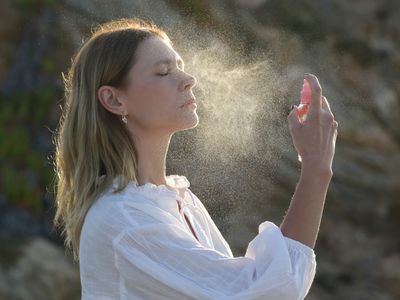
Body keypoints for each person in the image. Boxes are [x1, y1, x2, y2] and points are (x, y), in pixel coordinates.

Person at [52, 17, 338, 300]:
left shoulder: (178, 201)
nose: (189, 80)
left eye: (181, 67)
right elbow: (260, 291)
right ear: (114, 100)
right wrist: (316, 169)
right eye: (164, 72)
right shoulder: (125, 221)